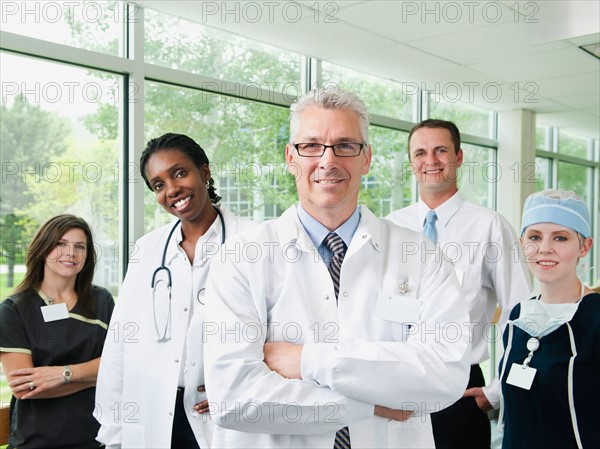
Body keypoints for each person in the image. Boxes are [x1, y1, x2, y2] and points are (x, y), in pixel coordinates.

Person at [203, 87, 471, 448]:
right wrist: (370, 402)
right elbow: (234, 398)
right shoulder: (241, 257)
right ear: (290, 157)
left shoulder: (421, 255)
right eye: (311, 145)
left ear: (367, 158)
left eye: (345, 145)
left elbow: (444, 375)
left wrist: (308, 360)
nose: (328, 160)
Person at [95, 133, 256, 449]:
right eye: (158, 184)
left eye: (180, 172)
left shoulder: (253, 240)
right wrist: (112, 429)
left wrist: (241, 386)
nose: (171, 190)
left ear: (205, 172)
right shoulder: (148, 249)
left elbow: (281, 332)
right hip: (156, 411)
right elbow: (120, 342)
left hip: (223, 415)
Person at [386, 119, 532, 448]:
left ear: (459, 157)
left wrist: (496, 390)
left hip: (460, 389)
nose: (431, 160)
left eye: (441, 150)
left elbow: (521, 312)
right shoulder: (391, 227)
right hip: (397, 384)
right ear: (412, 163)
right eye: (420, 153)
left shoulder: (490, 226)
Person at [0, 214, 115, 449]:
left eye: (79, 246)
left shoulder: (102, 301)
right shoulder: (15, 310)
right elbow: (26, 387)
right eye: (61, 244)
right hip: (37, 441)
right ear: (43, 248)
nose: (70, 253)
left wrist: (63, 374)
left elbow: (120, 366)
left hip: (97, 439)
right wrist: (95, 376)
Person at [498, 189, 598, 448]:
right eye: (535, 237)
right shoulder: (519, 316)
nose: (545, 249)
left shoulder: (594, 319)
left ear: (584, 247)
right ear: (522, 243)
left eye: (561, 238)